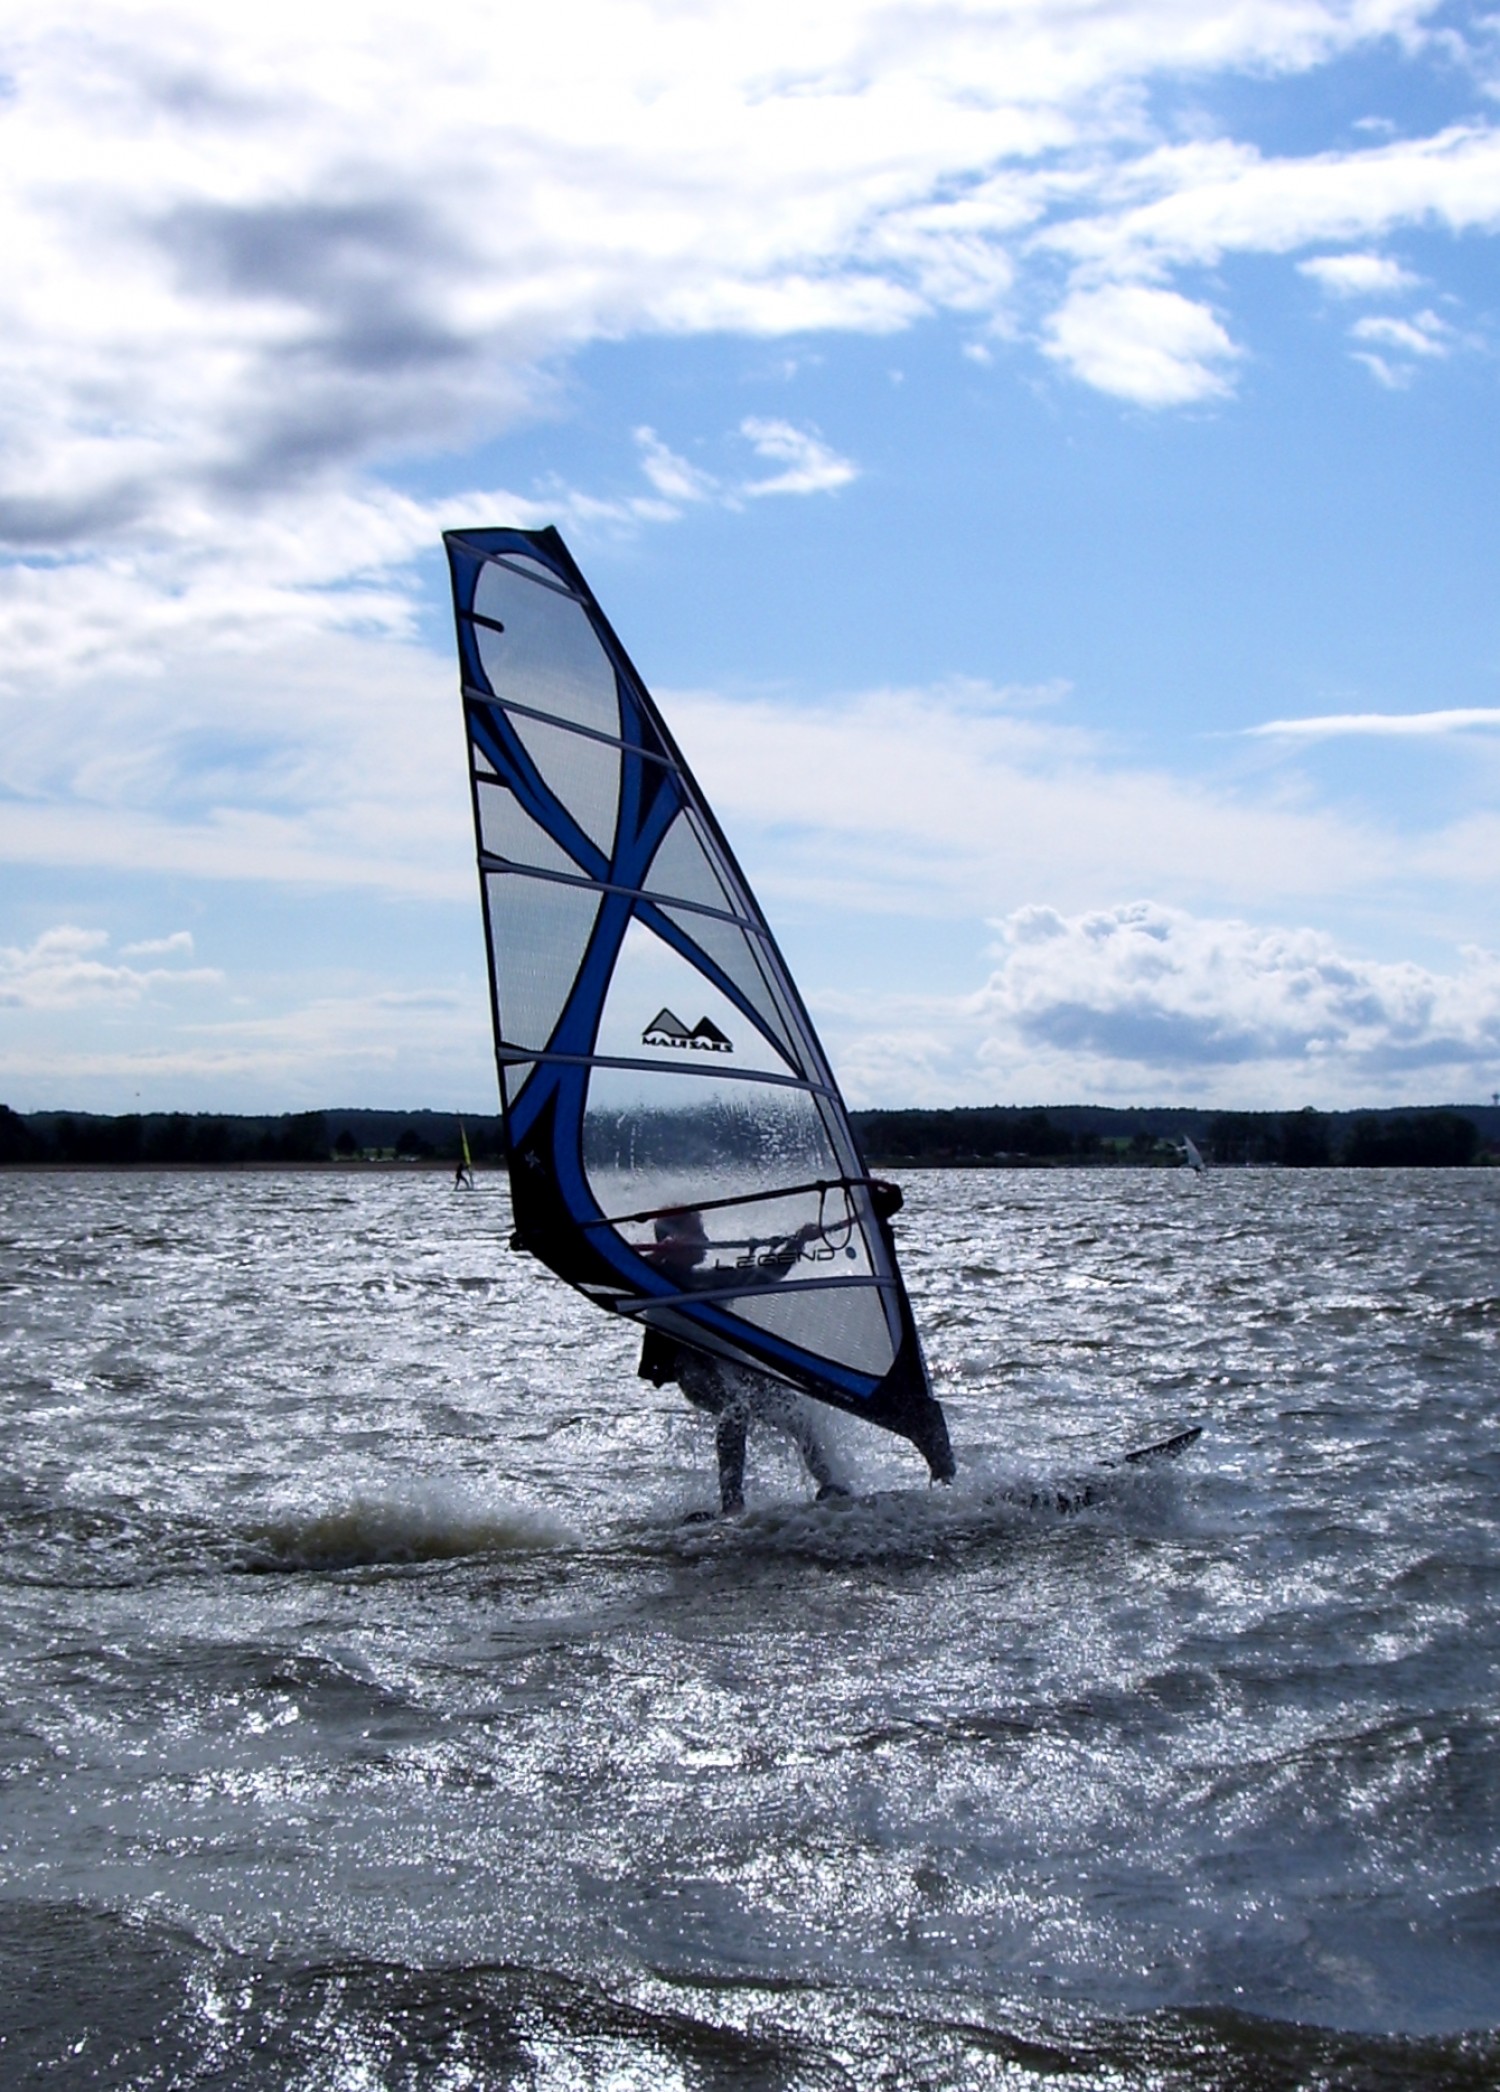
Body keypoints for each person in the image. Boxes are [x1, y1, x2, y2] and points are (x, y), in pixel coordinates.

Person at [637, 1208, 849, 1515]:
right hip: (692, 1369)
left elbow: (765, 1274)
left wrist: (799, 1242)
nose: (707, 1241)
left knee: (796, 1411)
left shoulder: (709, 1280)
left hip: (729, 1363)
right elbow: (617, 1276)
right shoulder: (651, 1278)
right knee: (735, 1409)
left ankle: (830, 1485)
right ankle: (732, 1504)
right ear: (674, 1240)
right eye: (698, 1233)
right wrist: (658, 1256)